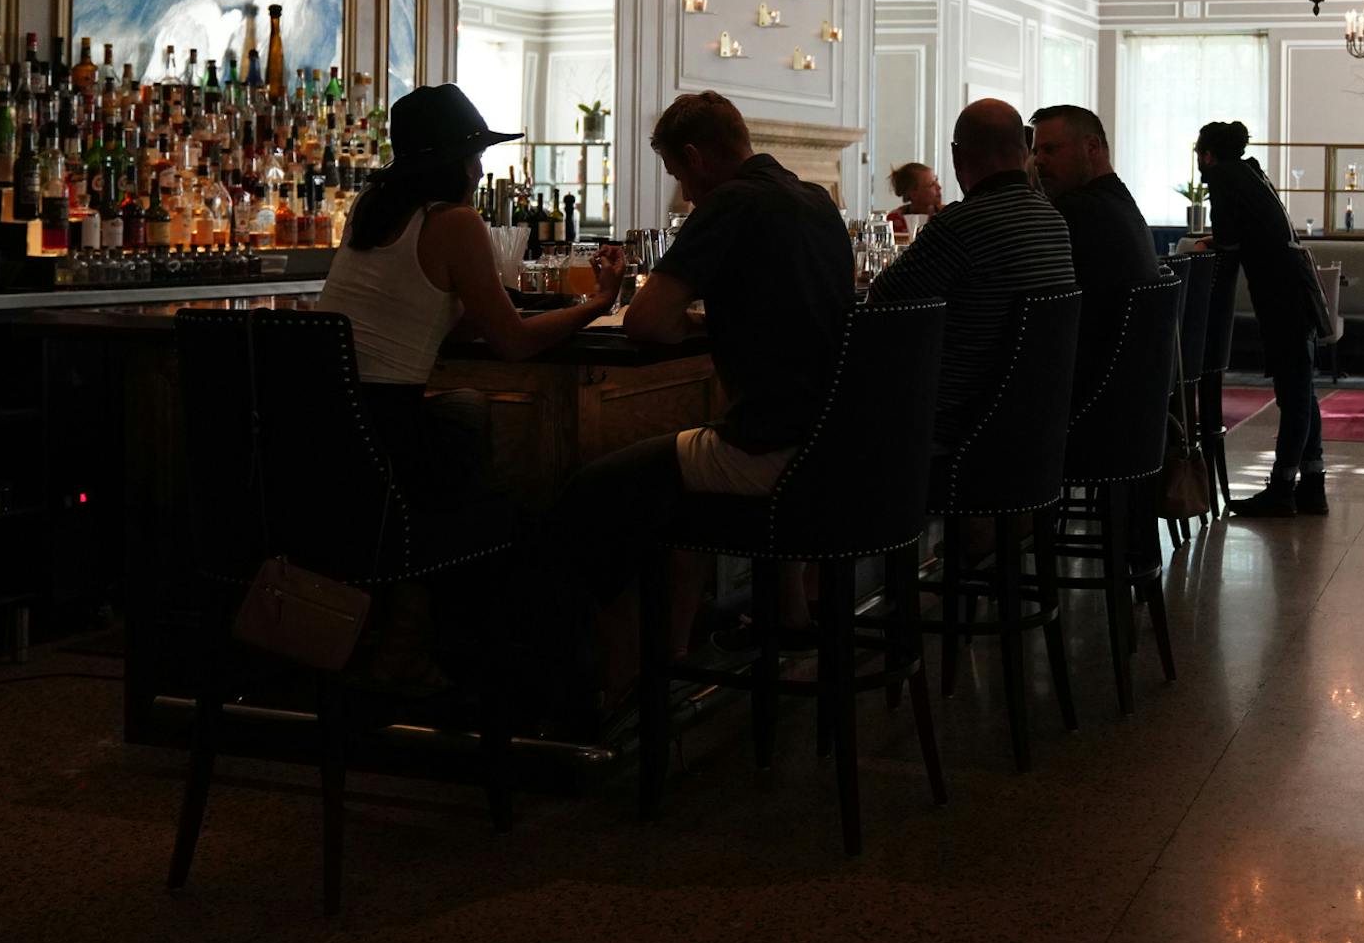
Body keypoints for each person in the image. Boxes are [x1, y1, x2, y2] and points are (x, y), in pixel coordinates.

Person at [547, 91, 854, 705]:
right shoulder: (815, 200)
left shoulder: (730, 203)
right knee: (671, 486)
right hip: (831, 443)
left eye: (677, 175)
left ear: (695, 157)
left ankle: (617, 683)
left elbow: (645, 322)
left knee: (588, 491)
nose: (684, 194)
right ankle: (686, 649)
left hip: (767, 450)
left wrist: (689, 318)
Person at [317, 82, 627, 686]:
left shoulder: (371, 211)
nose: (481, 166)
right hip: (391, 443)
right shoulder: (455, 222)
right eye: (476, 154)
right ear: (457, 162)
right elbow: (511, 342)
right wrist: (599, 300)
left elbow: (412, 304)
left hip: (332, 437)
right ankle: (499, 673)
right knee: (530, 513)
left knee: (464, 422)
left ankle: (410, 634)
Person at [868, 99, 1075, 449]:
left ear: (956, 156)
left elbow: (882, 304)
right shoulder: (1054, 220)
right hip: (1032, 429)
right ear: (1025, 150)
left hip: (958, 432)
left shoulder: (960, 225)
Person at [1194, 119, 1327, 517]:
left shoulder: (1222, 176)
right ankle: (1312, 483)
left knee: (1293, 392)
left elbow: (1231, 239)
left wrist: (1209, 242)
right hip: (1293, 288)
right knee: (1301, 389)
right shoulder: (1252, 172)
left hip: (1278, 293)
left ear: (1207, 154)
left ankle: (1282, 487)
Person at [1028, 103, 1159, 294]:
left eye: (1050, 149)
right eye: (1035, 152)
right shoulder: (1120, 201)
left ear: (1092, 147)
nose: (1038, 161)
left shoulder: (1075, 211)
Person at [886, 160, 944, 233]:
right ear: (914, 194)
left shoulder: (948, 216)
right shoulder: (894, 221)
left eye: (936, 180)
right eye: (931, 184)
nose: (939, 187)